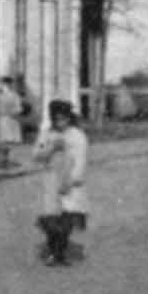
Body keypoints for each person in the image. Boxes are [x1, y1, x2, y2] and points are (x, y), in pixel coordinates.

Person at [32, 100, 88, 268]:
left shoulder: (77, 135)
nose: (60, 123)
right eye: (57, 120)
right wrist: (51, 149)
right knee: (50, 218)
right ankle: (52, 251)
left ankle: (60, 252)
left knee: (67, 218)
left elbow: (81, 160)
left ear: (69, 118)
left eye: (64, 119)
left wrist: (72, 180)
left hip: (70, 180)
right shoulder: (46, 134)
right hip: (51, 179)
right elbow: (36, 155)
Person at [0, 76, 25, 170]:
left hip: (3, 120)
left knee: (3, 141)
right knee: (1, 141)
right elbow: (18, 109)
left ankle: (1, 161)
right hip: (2, 119)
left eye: (4, 84)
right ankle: (0, 161)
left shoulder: (9, 95)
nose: (3, 86)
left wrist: (9, 113)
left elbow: (18, 109)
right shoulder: (2, 95)